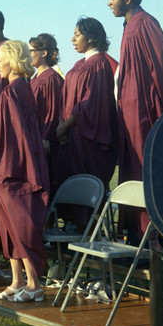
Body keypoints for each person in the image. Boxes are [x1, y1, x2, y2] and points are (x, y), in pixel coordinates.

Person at [0, 41, 49, 303]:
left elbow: (8, 139)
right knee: (9, 229)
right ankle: (18, 282)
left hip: (12, 174)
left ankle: (34, 285)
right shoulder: (22, 89)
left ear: (13, 60)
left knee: (19, 228)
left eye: (0, 59)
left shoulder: (12, 92)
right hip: (17, 169)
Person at [108, 0, 163, 240]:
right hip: (131, 115)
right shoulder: (129, 25)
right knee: (132, 168)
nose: (108, 2)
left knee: (144, 170)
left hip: (146, 116)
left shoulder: (144, 23)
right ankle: (135, 235)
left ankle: (151, 237)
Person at [55, 17, 117, 228]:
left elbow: (90, 105)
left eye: (78, 34)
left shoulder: (100, 64)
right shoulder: (79, 64)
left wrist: (65, 125)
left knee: (84, 192)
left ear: (91, 37)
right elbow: (65, 99)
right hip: (71, 138)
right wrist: (62, 124)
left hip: (86, 140)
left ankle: (85, 237)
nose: (72, 39)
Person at [29, 34, 64, 199]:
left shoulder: (50, 78)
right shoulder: (34, 78)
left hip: (46, 141)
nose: (29, 55)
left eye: (32, 51)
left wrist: (46, 137)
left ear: (44, 53)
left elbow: (53, 110)